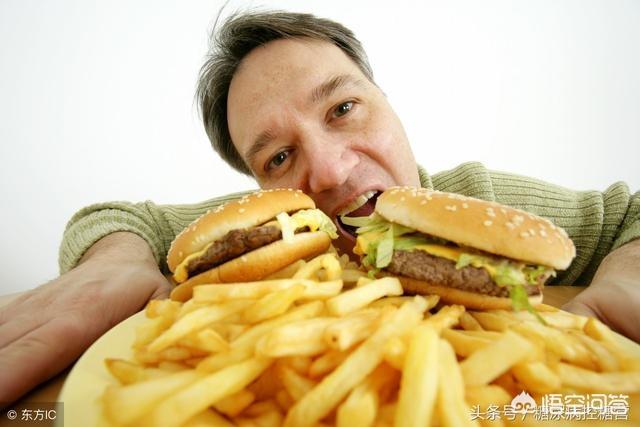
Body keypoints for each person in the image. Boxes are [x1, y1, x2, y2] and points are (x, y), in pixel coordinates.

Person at [1, 10, 638, 405]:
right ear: (259, 184)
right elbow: (118, 217)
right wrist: (110, 262)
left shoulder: (482, 200)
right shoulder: (270, 230)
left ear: (387, 100)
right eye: (279, 156)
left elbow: (629, 212)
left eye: (342, 108)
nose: (329, 171)